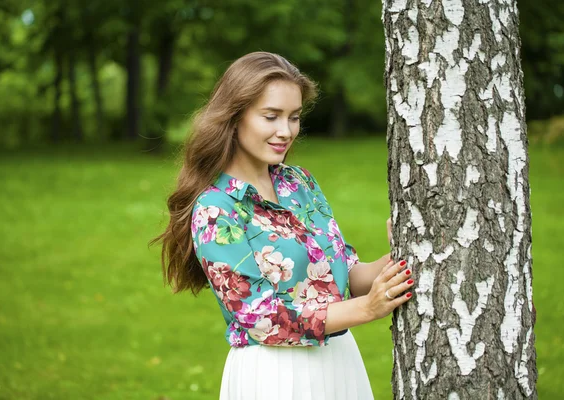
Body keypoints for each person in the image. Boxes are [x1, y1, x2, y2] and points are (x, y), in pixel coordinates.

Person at [154, 51, 414, 400]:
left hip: (339, 361)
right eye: (271, 116)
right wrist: (367, 309)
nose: (285, 131)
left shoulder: (298, 183)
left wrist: (402, 255)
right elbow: (262, 319)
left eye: (294, 117)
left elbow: (346, 273)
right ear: (234, 117)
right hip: (276, 375)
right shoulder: (215, 209)